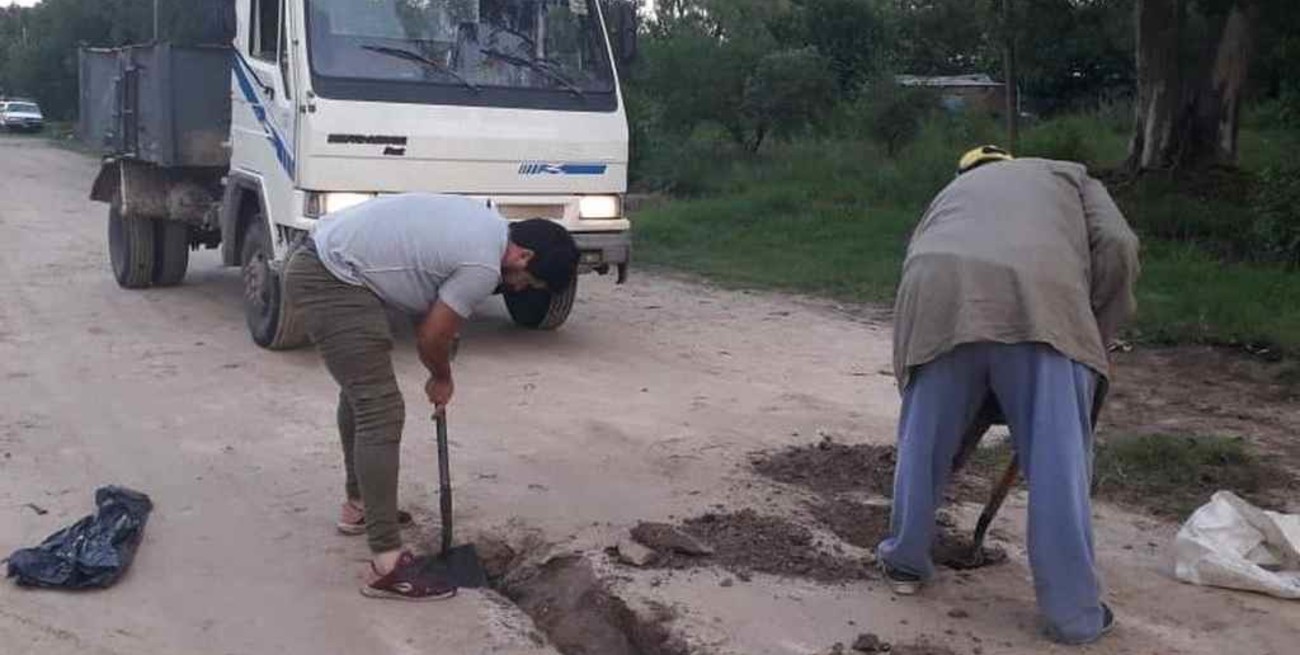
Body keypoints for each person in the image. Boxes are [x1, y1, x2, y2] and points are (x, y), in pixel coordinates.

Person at [876, 146, 1140, 644]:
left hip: (937, 292)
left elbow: (919, 255)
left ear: (968, 170)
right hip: (1041, 304)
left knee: (923, 442)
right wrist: (1091, 331)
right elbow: (1119, 245)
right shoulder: (1070, 175)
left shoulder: (952, 191)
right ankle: (1073, 616)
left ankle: (905, 562)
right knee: (1058, 464)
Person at [284, 193, 579, 600]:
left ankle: (359, 506)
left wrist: (443, 335)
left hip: (329, 262)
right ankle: (387, 566)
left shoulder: (485, 225)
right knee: (380, 408)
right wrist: (441, 376)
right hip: (331, 277)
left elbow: (419, 281)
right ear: (524, 255)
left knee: (362, 394)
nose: (520, 287)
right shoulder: (481, 264)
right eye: (530, 280)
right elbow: (431, 336)